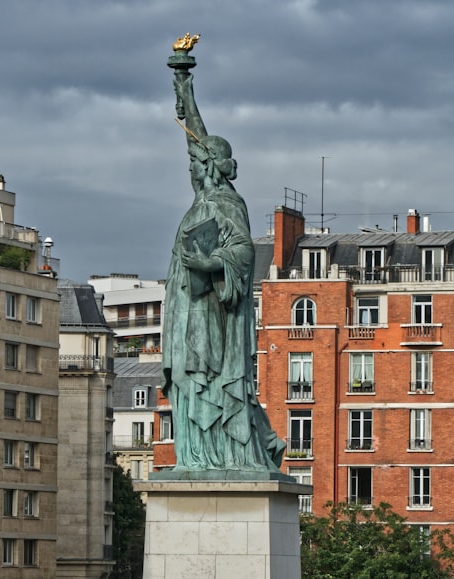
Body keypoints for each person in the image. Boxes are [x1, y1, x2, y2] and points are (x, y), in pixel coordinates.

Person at [161, 67, 285, 473]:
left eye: (196, 165)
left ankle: (219, 455)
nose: (191, 171)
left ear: (210, 166)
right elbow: (196, 140)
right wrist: (185, 90)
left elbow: (243, 252)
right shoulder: (207, 199)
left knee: (200, 380)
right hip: (188, 309)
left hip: (209, 313)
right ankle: (200, 456)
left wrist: (207, 263)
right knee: (185, 379)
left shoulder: (225, 202)